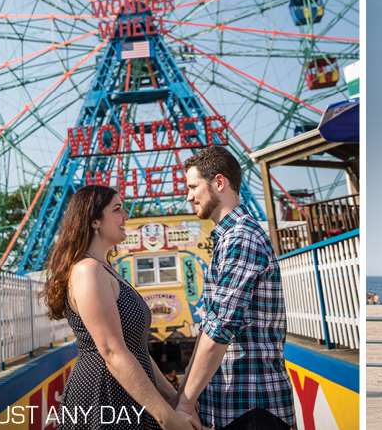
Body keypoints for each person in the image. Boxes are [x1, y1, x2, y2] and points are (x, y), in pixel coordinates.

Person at [41, 185, 198, 430]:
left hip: (132, 393)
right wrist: (167, 419)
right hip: (104, 396)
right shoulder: (87, 271)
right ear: (94, 221)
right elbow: (112, 351)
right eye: (117, 210)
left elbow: (137, 350)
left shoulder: (106, 270)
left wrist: (173, 399)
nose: (126, 216)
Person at [174, 145, 296, 430]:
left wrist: (184, 402)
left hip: (252, 408)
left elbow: (220, 328)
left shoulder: (241, 238)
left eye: (194, 187)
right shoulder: (228, 239)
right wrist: (183, 396)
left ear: (219, 183)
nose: (189, 195)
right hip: (234, 407)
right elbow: (210, 328)